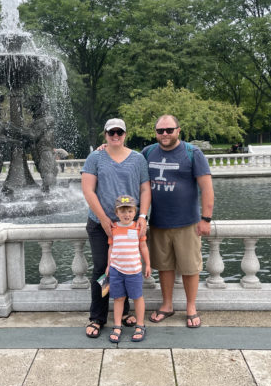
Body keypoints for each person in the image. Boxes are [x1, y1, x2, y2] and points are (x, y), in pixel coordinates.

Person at [81, 118, 151, 339]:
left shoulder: (138, 159)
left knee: (127, 265)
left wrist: (142, 216)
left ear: (125, 134)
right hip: (100, 223)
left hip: (129, 224)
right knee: (103, 269)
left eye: (119, 132)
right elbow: (88, 190)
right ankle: (98, 317)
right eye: (111, 132)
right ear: (105, 134)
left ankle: (125, 312)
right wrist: (103, 219)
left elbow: (145, 189)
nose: (115, 136)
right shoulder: (95, 157)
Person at [143, 114, 214, 328]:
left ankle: (191, 307)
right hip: (159, 222)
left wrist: (206, 219)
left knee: (190, 267)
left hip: (187, 223)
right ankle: (167, 305)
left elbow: (206, 188)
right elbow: (125, 160)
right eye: (160, 131)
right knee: (164, 266)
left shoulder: (192, 153)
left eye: (169, 130)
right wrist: (104, 148)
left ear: (178, 130)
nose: (164, 134)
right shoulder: (147, 153)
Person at [106, 195, 151, 343]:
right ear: (117, 213)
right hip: (116, 270)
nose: (127, 214)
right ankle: (117, 325)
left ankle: (140, 325)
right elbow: (111, 248)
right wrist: (108, 265)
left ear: (135, 212)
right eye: (123, 211)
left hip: (134, 271)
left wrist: (148, 264)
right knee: (118, 298)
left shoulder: (138, 227)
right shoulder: (113, 228)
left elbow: (143, 247)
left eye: (130, 211)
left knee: (137, 297)